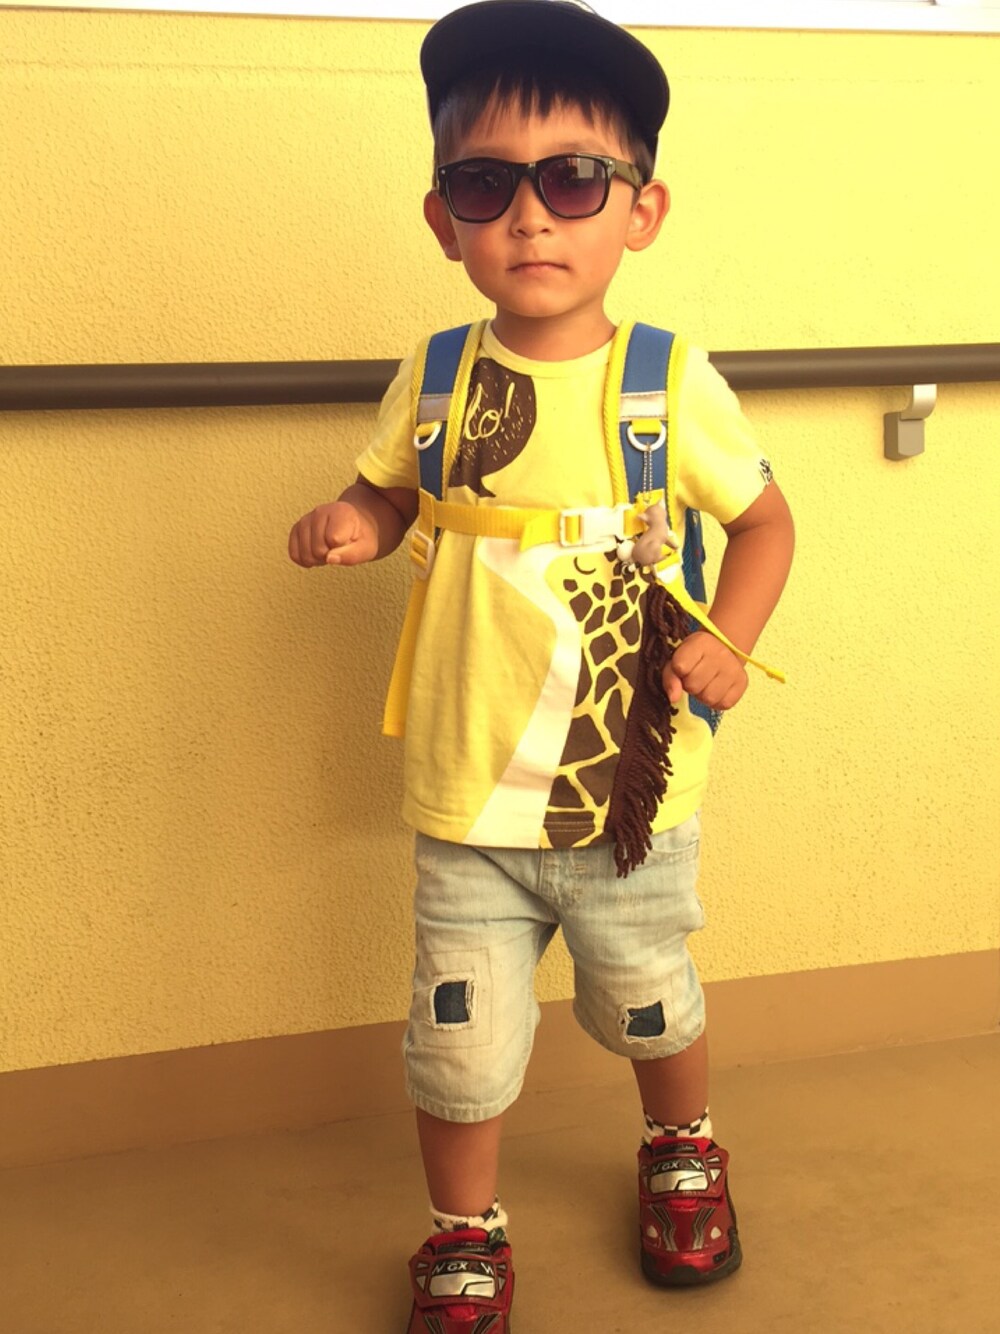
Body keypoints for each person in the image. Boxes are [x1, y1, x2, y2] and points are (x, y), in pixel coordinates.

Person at [288, 3, 795, 1330]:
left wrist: (727, 639)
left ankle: (681, 1146)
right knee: (456, 1039)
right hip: (469, 796)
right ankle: (464, 1231)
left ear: (641, 209)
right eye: (484, 183)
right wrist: (356, 520)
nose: (528, 216)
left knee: (649, 999)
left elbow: (766, 523)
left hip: (629, 797)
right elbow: (392, 489)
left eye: (572, 178)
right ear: (442, 217)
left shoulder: (666, 382)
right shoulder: (437, 375)